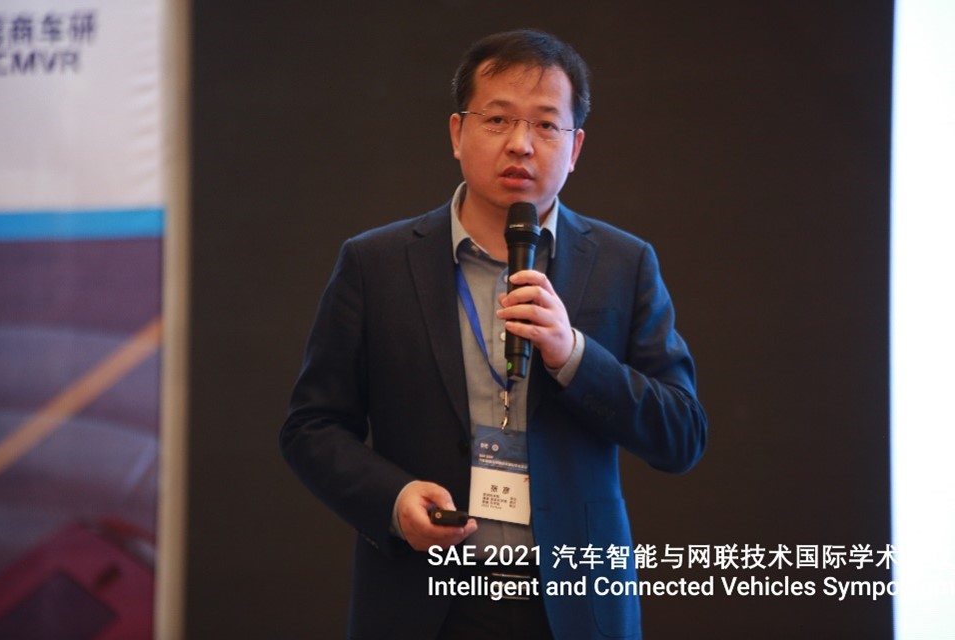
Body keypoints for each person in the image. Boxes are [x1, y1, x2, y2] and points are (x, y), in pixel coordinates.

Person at [280, 28, 707, 640]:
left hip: (574, 607)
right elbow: (311, 427)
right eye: (499, 119)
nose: (520, 144)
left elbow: (681, 434)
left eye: (545, 125)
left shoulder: (624, 263)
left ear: (575, 147)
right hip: (424, 598)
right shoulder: (375, 263)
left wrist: (574, 355)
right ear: (458, 134)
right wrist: (393, 500)